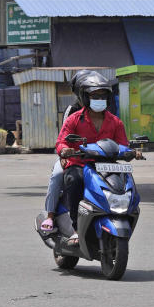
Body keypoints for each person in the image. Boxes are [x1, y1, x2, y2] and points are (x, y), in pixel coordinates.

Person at [56, 71, 139, 246]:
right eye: (95, 96)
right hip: (80, 164)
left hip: (107, 166)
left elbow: (122, 145)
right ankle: (76, 229)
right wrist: (65, 150)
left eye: (103, 95)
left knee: (124, 184)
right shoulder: (73, 119)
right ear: (85, 97)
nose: (99, 99)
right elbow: (61, 142)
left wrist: (132, 153)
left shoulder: (115, 122)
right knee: (74, 180)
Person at [39, 70, 92, 233]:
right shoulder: (72, 110)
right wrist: (63, 154)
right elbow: (63, 137)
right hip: (72, 155)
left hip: (96, 156)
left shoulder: (104, 112)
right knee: (57, 176)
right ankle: (50, 215)